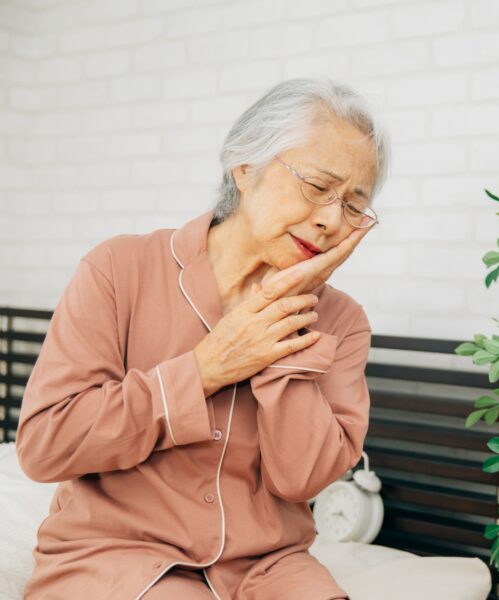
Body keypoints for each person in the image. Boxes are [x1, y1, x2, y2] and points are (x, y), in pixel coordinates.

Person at [16, 78, 389, 599]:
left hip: (269, 567)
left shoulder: (343, 323)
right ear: (245, 165)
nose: (330, 219)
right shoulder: (117, 270)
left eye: (353, 205)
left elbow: (300, 481)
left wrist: (288, 321)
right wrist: (205, 368)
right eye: (318, 187)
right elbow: (45, 445)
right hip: (117, 556)